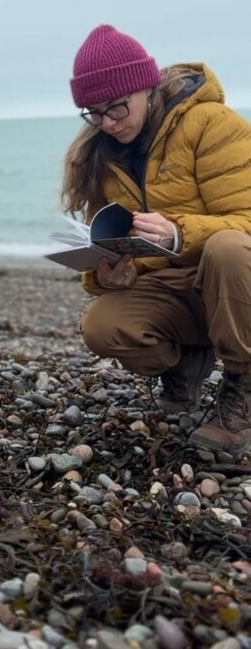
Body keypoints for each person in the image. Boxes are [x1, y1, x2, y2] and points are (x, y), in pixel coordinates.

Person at [62, 23, 251, 454]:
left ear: (145, 87)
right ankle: (187, 362)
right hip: (176, 289)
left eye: (116, 108)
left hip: (236, 281)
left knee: (226, 248)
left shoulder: (211, 124)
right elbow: (110, 237)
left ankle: (244, 385)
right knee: (103, 326)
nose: (107, 123)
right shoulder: (102, 153)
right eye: (93, 112)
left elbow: (247, 220)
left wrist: (178, 231)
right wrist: (109, 276)